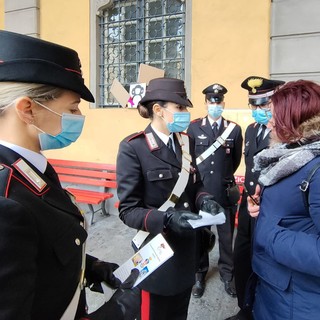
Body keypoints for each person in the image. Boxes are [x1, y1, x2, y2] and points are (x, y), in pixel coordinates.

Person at [0, 29, 140, 320]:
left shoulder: (32, 167)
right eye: (72, 107)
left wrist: (90, 267)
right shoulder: (6, 203)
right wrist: (118, 313)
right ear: (28, 109)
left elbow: (40, 252)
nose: (78, 117)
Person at [116, 77, 224, 320]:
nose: (186, 113)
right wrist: (166, 218)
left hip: (188, 251)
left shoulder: (186, 141)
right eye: (180, 107)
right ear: (158, 110)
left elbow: (196, 185)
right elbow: (128, 210)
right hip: (157, 255)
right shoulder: (134, 148)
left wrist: (205, 199)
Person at [249, 80, 320, 319]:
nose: (269, 122)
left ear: (296, 121)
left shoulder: (316, 168)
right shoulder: (293, 156)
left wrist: (271, 234)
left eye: (275, 116)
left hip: (297, 303)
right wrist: (266, 210)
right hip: (276, 291)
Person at [225, 76, 285, 320]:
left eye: (264, 105)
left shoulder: (283, 131)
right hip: (247, 203)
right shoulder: (250, 130)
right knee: (242, 255)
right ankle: (244, 307)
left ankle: (261, 309)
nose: (259, 111)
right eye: (255, 106)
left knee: (264, 260)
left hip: (268, 207)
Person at [187, 83, 243, 298]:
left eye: (218, 102)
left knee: (226, 237)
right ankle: (199, 274)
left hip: (224, 192)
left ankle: (227, 275)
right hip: (201, 194)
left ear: (223, 104)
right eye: (211, 102)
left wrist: (222, 177)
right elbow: (190, 157)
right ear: (206, 103)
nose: (215, 105)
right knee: (201, 236)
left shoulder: (234, 129)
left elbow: (235, 160)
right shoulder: (194, 128)